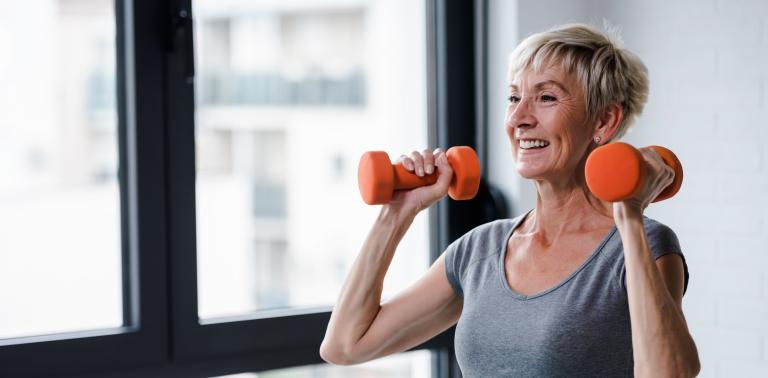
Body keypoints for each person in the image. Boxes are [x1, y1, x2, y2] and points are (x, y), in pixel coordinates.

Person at [320, 24, 700, 377]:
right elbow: (345, 346)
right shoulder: (478, 250)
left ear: (603, 122)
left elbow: (668, 373)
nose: (519, 118)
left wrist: (629, 216)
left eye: (546, 97)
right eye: (514, 97)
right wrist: (396, 214)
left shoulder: (643, 246)